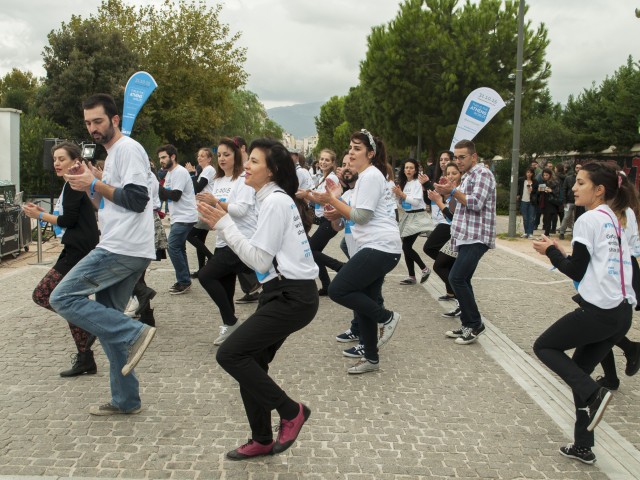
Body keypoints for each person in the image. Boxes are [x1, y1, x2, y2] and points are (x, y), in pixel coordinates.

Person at [197, 138, 319, 460]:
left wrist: (224, 224)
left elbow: (259, 262)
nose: (246, 166)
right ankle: (262, 439)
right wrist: (225, 220)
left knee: (231, 355)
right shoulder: (270, 200)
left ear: (272, 170)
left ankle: (291, 412)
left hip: (292, 296)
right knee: (250, 361)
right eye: (246, 160)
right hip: (281, 293)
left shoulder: (276, 202)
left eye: (253, 161)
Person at [49, 93, 156, 415]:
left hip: (122, 247)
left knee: (62, 297)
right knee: (107, 324)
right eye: (88, 123)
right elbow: (110, 203)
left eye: (98, 121)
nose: (93, 128)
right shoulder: (111, 157)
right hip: (120, 242)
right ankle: (126, 400)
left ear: (115, 120)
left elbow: (137, 200)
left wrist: (94, 185)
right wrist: (89, 185)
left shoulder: (128, 149)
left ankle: (134, 331)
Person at [532, 162, 637, 465]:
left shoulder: (589, 219)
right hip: (622, 312)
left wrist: (551, 250)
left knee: (544, 346)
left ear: (599, 190)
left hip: (599, 311)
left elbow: (574, 268)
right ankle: (583, 445)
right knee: (578, 371)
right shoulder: (623, 215)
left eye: (580, 183)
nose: (574, 188)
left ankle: (595, 395)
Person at [310, 129, 402, 374]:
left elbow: (361, 217)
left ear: (370, 154)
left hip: (381, 246)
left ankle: (387, 317)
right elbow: (347, 219)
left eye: (357, 148)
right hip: (373, 246)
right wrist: (336, 212)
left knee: (339, 289)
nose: (351, 152)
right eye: (350, 147)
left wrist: (331, 200)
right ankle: (371, 358)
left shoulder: (371, 176)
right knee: (365, 301)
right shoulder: (362, 179)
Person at [24, 142, 100, 377]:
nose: (56, 163)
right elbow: (68, 217)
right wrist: (44, 212)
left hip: (79, 252)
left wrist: (40, 215)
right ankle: (86, 358)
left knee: (44, 294)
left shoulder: (75, 184)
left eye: (61, 158)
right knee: (71, 301)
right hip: (74, 249)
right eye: (54, 159)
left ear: (75, 160)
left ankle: (95, 322)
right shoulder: (71, 184)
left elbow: (68, 221)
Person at [196, 137, 257, 345]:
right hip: (223, 240)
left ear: (236, 156)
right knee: (226, 287)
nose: (222, 158)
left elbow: (240, 210)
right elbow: (215, 209)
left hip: (240, 239)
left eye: (227, 154)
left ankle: (231, 322)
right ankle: (230, 328)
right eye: (219, 154)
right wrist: (207, 213)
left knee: (206, 276)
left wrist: (216, 202)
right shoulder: (218, 181)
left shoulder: (243, 180)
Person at [434, 139, 496, 345]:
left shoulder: (483, 174)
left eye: (462, 157)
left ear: (474, 157)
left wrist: (451, 191)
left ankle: (476, 324)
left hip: (477, 236)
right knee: (462, 279)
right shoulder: (468, 175)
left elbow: (476, 203)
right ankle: (468, 323)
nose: (458, 161)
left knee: (456, 278)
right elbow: (459, 208)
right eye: (456, 157)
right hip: (464, 236)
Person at [297, 148, 343, 295]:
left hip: (329, 220)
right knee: (314, 252)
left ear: (333, 163)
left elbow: (328, 201)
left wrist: (307, 195)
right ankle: (326, 285)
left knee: (310, 251)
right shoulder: (323, 177)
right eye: (322, 159)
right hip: (323, 220)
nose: (323, 162)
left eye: (327, 160)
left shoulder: (331, 179)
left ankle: (339, 267)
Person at [158, 144, 198, 294]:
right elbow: (164, 196)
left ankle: (184, 281)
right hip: (177, 217)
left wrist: (158, 187)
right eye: (160, 158)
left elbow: (175, 195)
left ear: (172, 156)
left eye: (164, 157)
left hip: (185, 217)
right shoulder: (169, 174)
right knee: (180, 248)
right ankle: (185, 279)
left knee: (172, 246)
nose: (161, 161)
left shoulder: (179, 172)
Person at [425, 162, 462, 306]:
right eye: (448, 173)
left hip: (459, 236)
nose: (451, 176)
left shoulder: (459, 191)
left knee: (440, 266)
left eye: (454, 173)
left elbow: (453, 218)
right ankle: (460, 300)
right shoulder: (453, 191)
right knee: (439, 260)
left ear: (461, 174)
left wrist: (439, 202)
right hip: (453, 232)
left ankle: (462, 302)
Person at [392, 158, 431, 285]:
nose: (408, 170)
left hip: (417, 216)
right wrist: (398, 196)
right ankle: (411, 276)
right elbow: (403, 204)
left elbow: (416, 201)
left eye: (411, 168)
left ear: (415, 170)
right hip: (408, 216)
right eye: (406, 167)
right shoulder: (405, 184)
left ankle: (424, 269)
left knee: (406, 246)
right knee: (406, 246)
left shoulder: (417, 183)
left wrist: (402, 195)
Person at [186, 147, 217, 276]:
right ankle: (202, 270)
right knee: (200, 238)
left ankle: (211, 257)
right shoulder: (204, 171)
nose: (199, 158)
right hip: (203, 206)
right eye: (198, 156)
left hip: (205, 207)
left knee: (190, 235)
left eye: (203, 156)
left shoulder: (208, 169)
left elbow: (197, 188)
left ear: (209, 159)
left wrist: (192, 174)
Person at [559, 163, 582, 240]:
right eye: (576, 167)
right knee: (566, 217)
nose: (578, 169)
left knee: (577, 218)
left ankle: (574, 233)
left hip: (579, 202)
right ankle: (562, 232)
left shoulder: (584, 179)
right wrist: (564, 202)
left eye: (579, 168)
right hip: (569, 201)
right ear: (574, 168)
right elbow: (564, 189)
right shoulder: (568, 178)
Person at [538, 167, 561, 237]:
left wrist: (551, 191)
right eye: (544, 175)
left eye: (546, 175)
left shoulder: (554, 182)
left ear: (550, 175)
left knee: (549, 217)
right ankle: (546, 233)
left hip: (552, 202)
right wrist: (539, 190)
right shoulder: (543, 182)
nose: (545, 177)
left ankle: (547, 233)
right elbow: (540, 193)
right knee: (545, 218)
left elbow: (557, 192)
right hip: (545, 201)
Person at [517, 167, 539, 239]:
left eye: (530, 172)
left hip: (531, 202)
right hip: (523, 200)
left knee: (531, 217)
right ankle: (526, 232)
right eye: (527, 172)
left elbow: (537, 192)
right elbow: (518, 188)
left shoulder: (535, 182)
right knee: (525, 218)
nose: (529, 174)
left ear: (532, 174)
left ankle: (530, 233)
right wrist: (518, 195)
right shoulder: (521, 180)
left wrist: (532, 190)